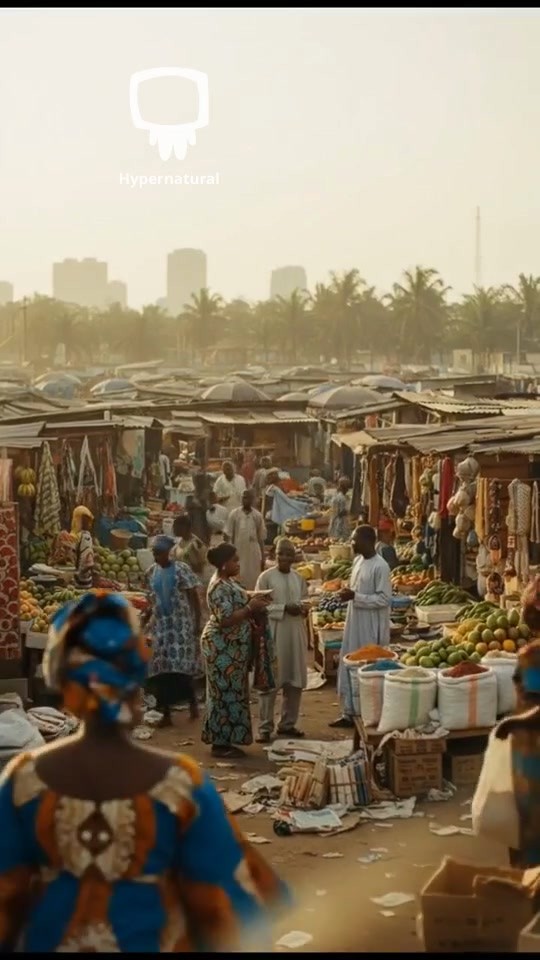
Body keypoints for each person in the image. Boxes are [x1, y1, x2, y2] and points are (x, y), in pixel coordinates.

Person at [0, 590, 288, 951]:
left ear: (60, 680)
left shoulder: (22, 781)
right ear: (137, 674)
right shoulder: (180, 785)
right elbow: (234, 911)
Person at [201, 543, 273, 758]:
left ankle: (228, 740)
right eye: (235, 560)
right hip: (222, 649)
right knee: (222, 694)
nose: (238, 564)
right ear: (224, 565)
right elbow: (226, 619)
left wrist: (256, 596)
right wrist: (251, 607)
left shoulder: (227, 582)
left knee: (233, 693)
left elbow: (237, 597)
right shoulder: (218, 587)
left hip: (232, 649)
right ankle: (219, 744)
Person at [475, 640, 540, 868]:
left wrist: (513, 724)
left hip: (532, 750)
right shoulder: (530, 653)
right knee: (521, 820)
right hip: (526, 750)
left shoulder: (534, 655)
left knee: (529, 822)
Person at [330, 524, 392, 728]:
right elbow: (355, 591)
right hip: (354, 620)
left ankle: (366, 713)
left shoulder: (380, 566)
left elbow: (383, 599)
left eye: (355, 539)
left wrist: (356, 596)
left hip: (370, 625)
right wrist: (347, 594)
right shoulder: (357, 562)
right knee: (349, 662)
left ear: (368, 541)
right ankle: (349, 711)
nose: (352, 542)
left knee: (366, 668)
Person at [254, 538, 308, 743]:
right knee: (271, 682)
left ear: (294, 556)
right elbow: (258, 605)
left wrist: (302, 608)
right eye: (281, 553)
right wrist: (284, 608)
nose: (285, 557)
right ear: (274, 555)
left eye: (288, 553)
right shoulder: (265, 578)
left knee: (295, 682)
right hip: (274, 634)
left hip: (295, 634)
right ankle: (265, 727)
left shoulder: (299, 577)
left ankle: (288, 724)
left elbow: (304, 600)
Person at [146, 535, 202, 726]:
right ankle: (166, 713)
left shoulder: (181, 569)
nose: (156, 557)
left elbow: (193, 595)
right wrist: (147, 621)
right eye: (154, 553)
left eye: (159, 553)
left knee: (182, 669)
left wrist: (197, 621)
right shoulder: (152, 572)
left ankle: (193, 704)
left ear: (167, 552)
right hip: (161, 627)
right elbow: (151, 599)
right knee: (162, 671)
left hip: (180, 626)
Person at [224, 489, 266, 590]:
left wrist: (263, 557)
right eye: (244, 497)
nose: (245, 500)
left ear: (253, 500)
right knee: (238, 577)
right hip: (238, 552)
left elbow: (261, 538)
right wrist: (227, 555)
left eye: (248, 498)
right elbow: (227, 535)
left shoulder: (257, 516)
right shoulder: (234, 514)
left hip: (253, 554)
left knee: (253, 578)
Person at [71, 505, 95, 590]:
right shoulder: (77, 535)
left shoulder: (85, 536)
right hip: (79, 581)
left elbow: (88, 562)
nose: (88, 523)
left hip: (81, 582)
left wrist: (78, 574)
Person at [329, 477, 351, 541]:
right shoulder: (342, 498)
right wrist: (349, 511)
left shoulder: (336, 496)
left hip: (334, 522)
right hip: (340, 525)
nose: (348, 489)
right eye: (347, 487)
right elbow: (340, 513)